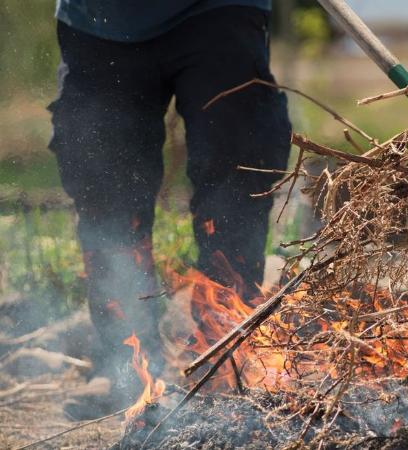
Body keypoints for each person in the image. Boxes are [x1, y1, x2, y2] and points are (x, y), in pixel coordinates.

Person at [49, 0, 291, 419]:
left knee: (236, 171)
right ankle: (124, 362)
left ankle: (225, 353)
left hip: (219, 11)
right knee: (106, 188)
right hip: (101, 20)